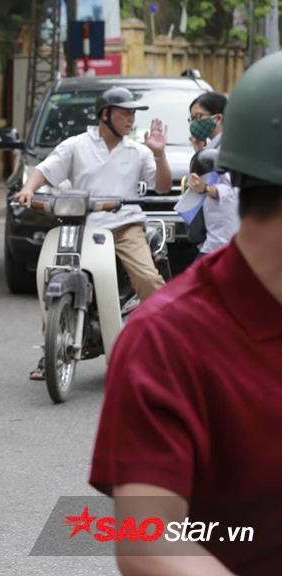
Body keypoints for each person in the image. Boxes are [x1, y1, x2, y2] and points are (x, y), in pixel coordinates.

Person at [89, 52, 282, 575]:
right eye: (121, 112)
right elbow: (147, 543)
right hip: (102, 227)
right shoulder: (167, 339)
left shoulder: (141, 151)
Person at [15, 86, 172, 381]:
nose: (131, 119)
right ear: (105, 114)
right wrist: (28, 189)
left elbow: (162, 186)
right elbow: (45, 171)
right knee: (53, 276)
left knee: (149, 280)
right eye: (125, 112)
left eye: (133, 113)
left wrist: (160, 155)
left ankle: (163, 347)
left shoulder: (138, 151)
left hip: (125, 228)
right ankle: (52, 348)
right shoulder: (76, 145)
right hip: (81, 228)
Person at [185, 91, 238, 257]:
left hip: (225, 237)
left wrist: (206, 188)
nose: (194, 123)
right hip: (213, 235)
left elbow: (234, 189)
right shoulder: (210, 149)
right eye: (191, 119)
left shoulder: (231, 149)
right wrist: (199, 152)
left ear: (218, 118)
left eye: (198, 116)